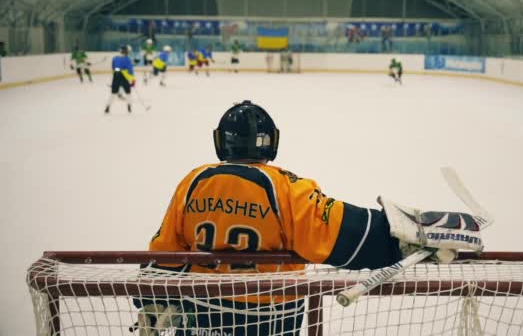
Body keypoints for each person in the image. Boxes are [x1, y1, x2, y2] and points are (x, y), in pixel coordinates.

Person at [133, 100, 485, 335]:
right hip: (268, 318)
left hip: (201, 313)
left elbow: (165, 253)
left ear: (220, 142)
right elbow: (346, 235)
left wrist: (151, 302)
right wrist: (410, 237)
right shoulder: (285, 187)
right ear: (270, 143)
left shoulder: (193, 182)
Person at [105, 45, 135, 114]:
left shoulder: (115, 58)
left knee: (113, 93)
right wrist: (132, 80)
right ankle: (129, 107)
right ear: (126, 52)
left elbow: (113, 68)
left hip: (116, 75)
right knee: (128, 92)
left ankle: (107, 107)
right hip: (123, 76)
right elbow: (130, 70)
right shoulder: (127, 59)